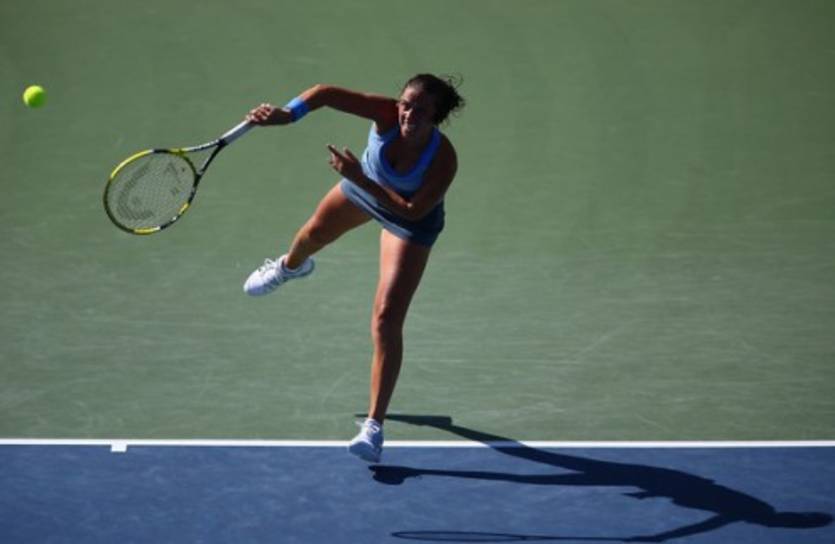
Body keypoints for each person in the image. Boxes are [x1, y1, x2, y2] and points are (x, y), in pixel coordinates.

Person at [242, 74, 465, 462]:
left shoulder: (444, 158)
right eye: (406, 104)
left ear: (436, 116)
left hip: (409, 221)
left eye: (421, 110)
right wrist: (288, 115)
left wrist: (358, 177)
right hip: (364, 186)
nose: (409, 114)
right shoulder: (386, 114)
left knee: (386, 319)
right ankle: (290, 268)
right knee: (311, 234)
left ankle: (374, 428)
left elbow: (412, 210)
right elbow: (325, 94)